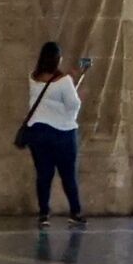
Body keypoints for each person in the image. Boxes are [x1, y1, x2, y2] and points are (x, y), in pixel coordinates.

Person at [19, 41, 87, 222]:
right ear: (58, 59)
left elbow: (46, 99)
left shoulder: (32, 77)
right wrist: (71, 84)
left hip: (38, 132)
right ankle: (75, 212)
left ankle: (44, 213)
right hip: (62, 132)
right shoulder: (64, 81)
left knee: (43, 175)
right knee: (68, 175)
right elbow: (73, 105)